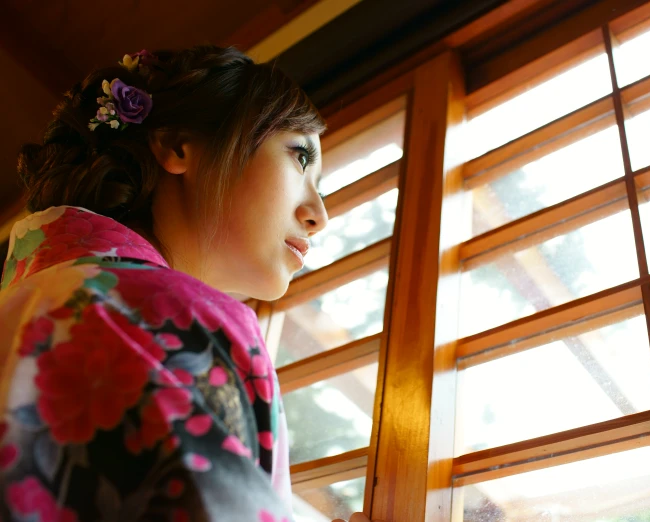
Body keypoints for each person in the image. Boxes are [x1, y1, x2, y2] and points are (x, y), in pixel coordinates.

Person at [0, 45, 378, 522]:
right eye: (300, 157)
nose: (318, 215)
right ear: (178, 146)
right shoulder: (167, 313)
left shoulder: (33, 301)